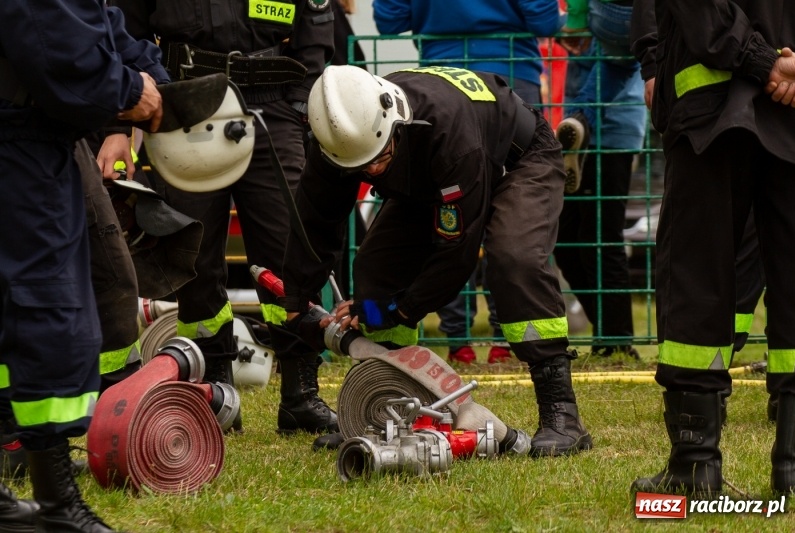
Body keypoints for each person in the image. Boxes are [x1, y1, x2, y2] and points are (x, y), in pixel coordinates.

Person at [281, 64, 593, 457]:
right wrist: (295, 299)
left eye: (377, 159)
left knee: (514, 258)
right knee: (376, 268)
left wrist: (395, 310)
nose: (371, 171)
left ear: (395, 124)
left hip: (516, 158)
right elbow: (314, 222)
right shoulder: (339, 137)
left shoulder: (448, 135)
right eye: (359, 167)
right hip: (429, 177)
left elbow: (456, 254)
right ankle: (387, 411)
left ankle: (561, 416)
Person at [111, 0, 339, 435]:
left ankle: (300, 396)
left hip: (273, 107)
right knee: (192, 257)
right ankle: (215, 393)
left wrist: (296, 105)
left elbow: (316, 27)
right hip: (184, 106)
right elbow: (124, 31)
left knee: (289, 255)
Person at [0, 0, 163, 530]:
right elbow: (58, 47)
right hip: (20, 147)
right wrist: (130, 92)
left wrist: (156, 79)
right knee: (45, 309)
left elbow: (97, 25)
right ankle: (55, 504)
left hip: (28, 139)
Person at [627, 0, 795, 496]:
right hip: (791, 105)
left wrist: (763, 63)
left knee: (697, 280)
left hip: (712, 112)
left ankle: (694, 467)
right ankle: (794, 472)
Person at [373, 0, 563, 364]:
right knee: (514, 217)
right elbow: (545, 20)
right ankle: (505, 338)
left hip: (439, 76)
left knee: (445, 210)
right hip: (510, 74)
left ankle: (457, 338)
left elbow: (389, 21)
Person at [552, 2, 647, 359]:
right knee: (566, 239)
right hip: (576, 130)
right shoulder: (589, 13)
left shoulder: (616, 15)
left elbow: (631, 50)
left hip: (612, 131)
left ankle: (616, 339)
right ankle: (609, 334)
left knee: (601, 236)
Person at [556, 0, 642, 194]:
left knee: (570, 218)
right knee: (620, 62)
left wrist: (575, 22)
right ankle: (582, 118)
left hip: (604, 13)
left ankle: (579, 118)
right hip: (622, 125)